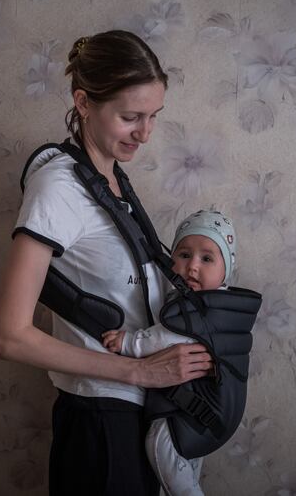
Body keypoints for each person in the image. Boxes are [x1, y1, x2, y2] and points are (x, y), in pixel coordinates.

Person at [0, 30, 213, 496]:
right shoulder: (59, 188)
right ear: (84, 103)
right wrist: (140, 371)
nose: (145, 133)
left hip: (137, 412)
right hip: (100, 419)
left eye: (153, 116)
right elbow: (9, 336)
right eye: (130, 117)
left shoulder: (108, 180)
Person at [102, 209, 237, 496]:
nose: (193, 267)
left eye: (207, 258)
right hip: (202, 410)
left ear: (227, 271)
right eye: (184, 254)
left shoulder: (203, 307)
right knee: (186, 465)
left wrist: (128, 343)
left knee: (160, 445)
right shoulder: (212, 304)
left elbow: (166, 337)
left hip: (185, 409)